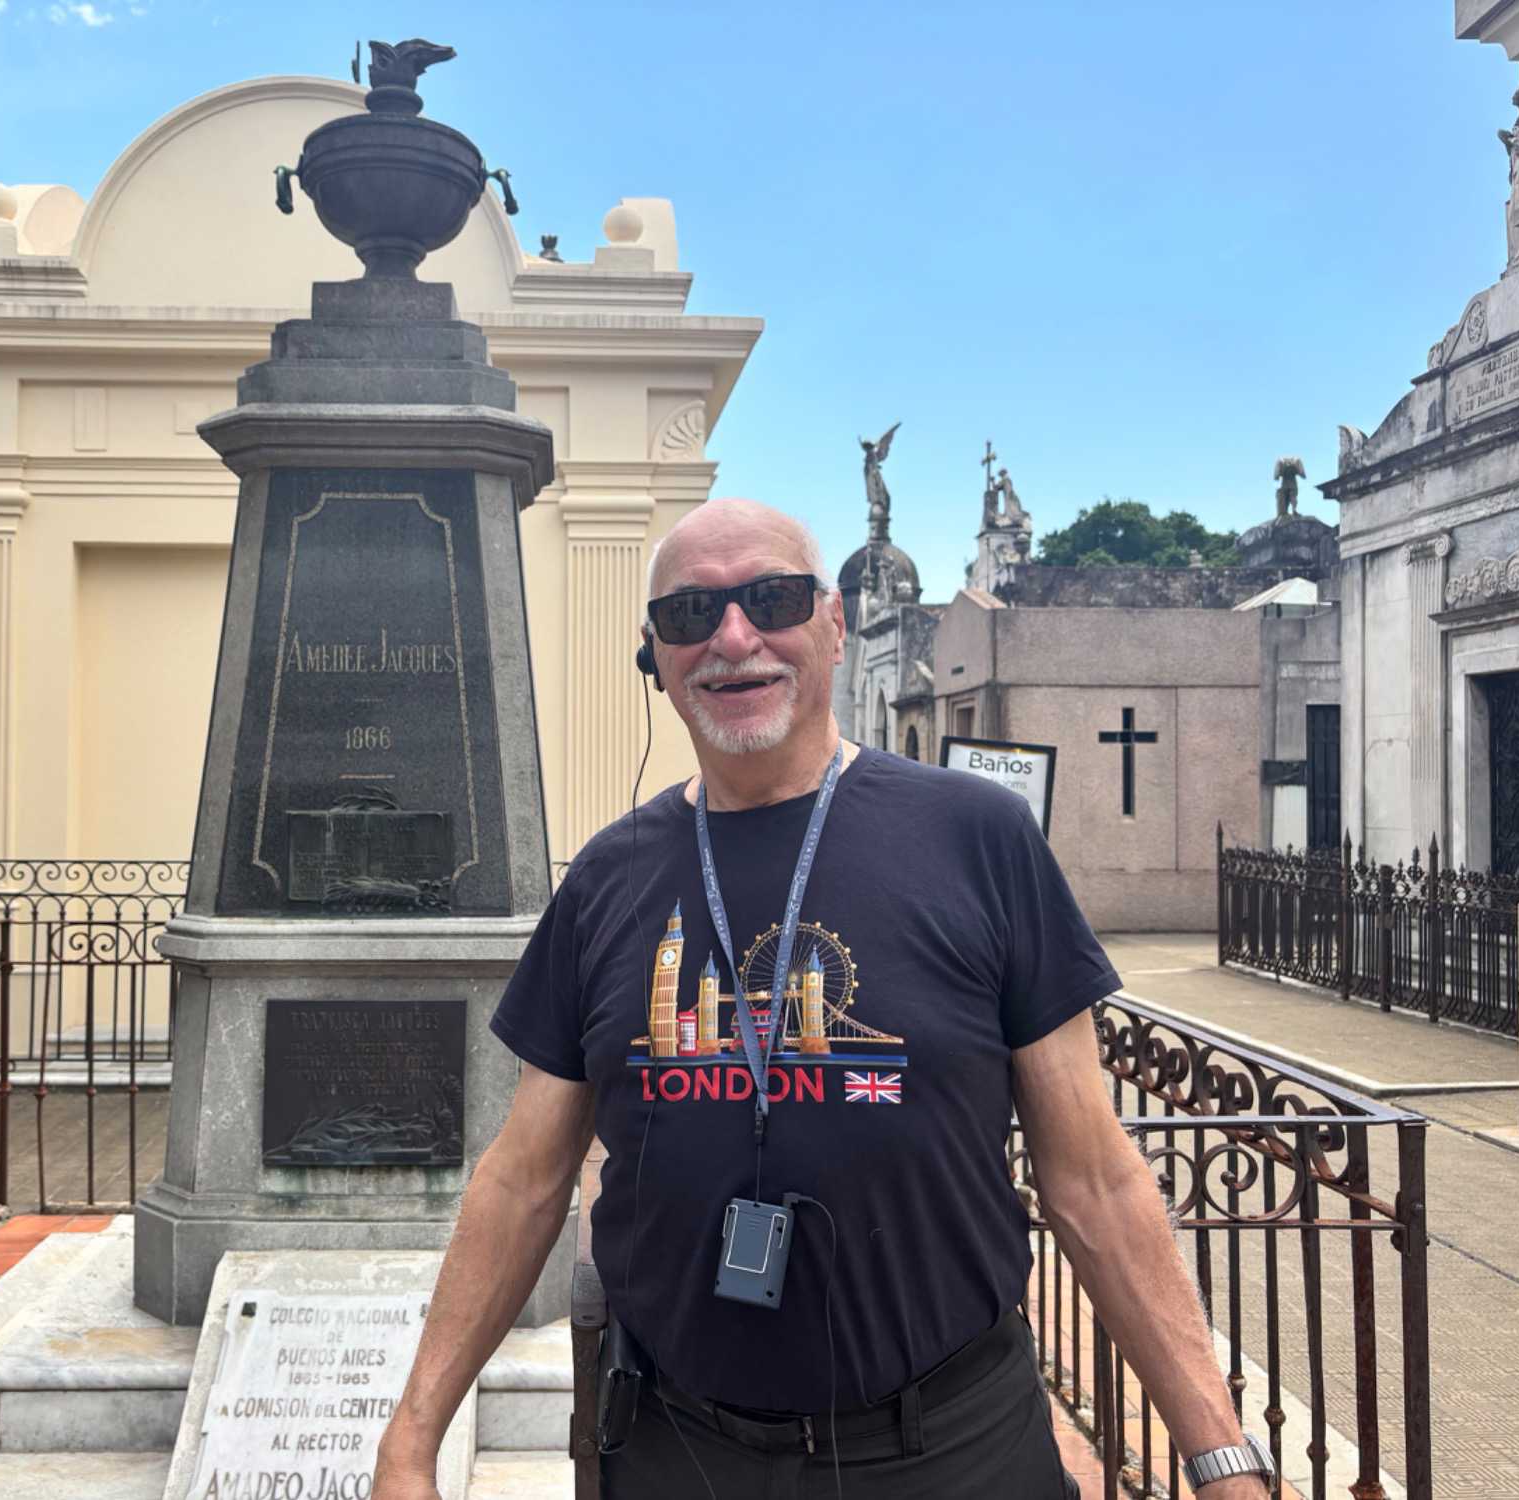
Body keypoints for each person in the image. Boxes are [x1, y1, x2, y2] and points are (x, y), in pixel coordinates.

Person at [373, 499, 1272, 1499]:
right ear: (654, 655)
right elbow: (522, 1179)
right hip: (678, 1450)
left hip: (950, 1450)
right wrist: (410, 1441)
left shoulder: (978, 839)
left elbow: (1093, 1178)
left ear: (834, 624)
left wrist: (1220, 1460)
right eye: (689, 613)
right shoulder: (604, 879)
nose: (732, 638)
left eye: (772, 599)